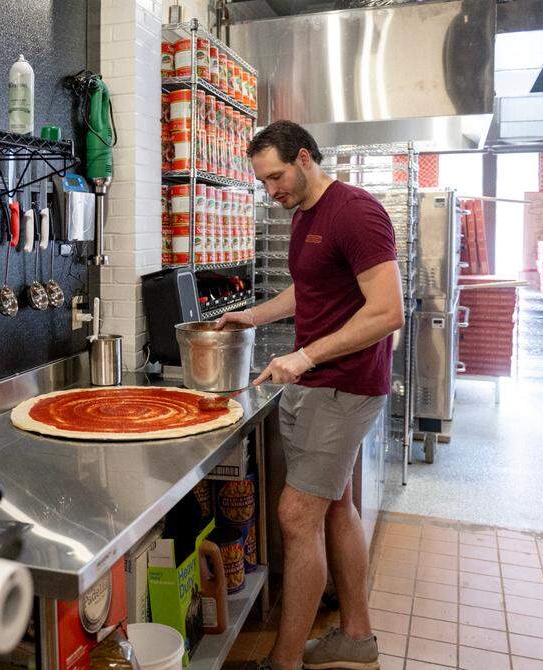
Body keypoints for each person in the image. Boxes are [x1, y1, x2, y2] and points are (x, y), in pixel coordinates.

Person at [219, 121, 404, 670]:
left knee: (297, 516)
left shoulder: (356, 212)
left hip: (342, 385)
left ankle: (284, 660)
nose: (270, 190)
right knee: (335, 507)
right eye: (263, 181)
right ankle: (356, 638)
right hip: (318, 384)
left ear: (304, 158)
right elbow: (310, 289)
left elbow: (387, 311)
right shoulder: (305, 216)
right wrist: (250, 316)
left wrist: (306, 356)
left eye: (275, 176)